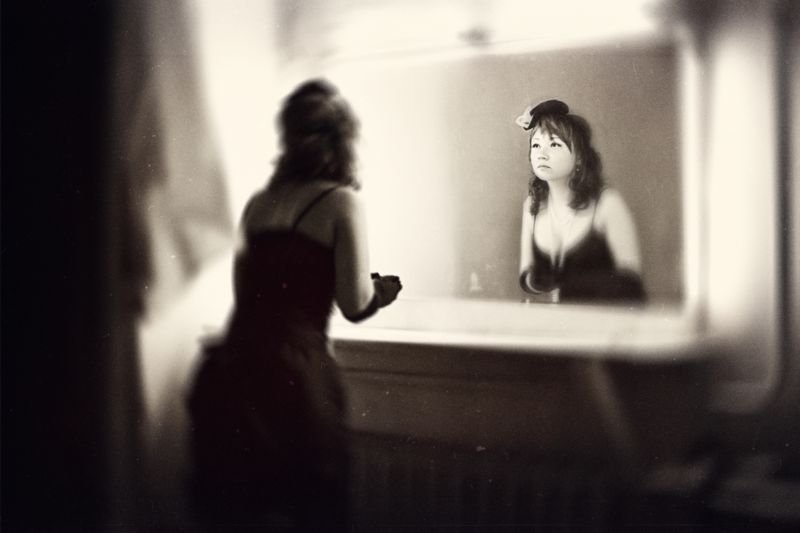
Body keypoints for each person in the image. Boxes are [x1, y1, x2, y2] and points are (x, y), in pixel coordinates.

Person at [186, 79, 402, 532]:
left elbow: (245, 294)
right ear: (342, 139)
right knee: (310, 511)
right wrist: (382, 289)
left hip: (233, 372)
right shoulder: (341, 202)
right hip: (296, 380)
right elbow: (354, 304)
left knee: (241, 514)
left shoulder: (257, 205)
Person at [516, 99, 645, 303]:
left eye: (554, 144)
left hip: (605, 318)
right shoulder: (532, 206)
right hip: (552, 320)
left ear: (579, 157)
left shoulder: (607, 204)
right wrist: (537, 281)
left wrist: (569, 287)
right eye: (536, 145)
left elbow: (631, 281)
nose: (542, 154)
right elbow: (526, 276)